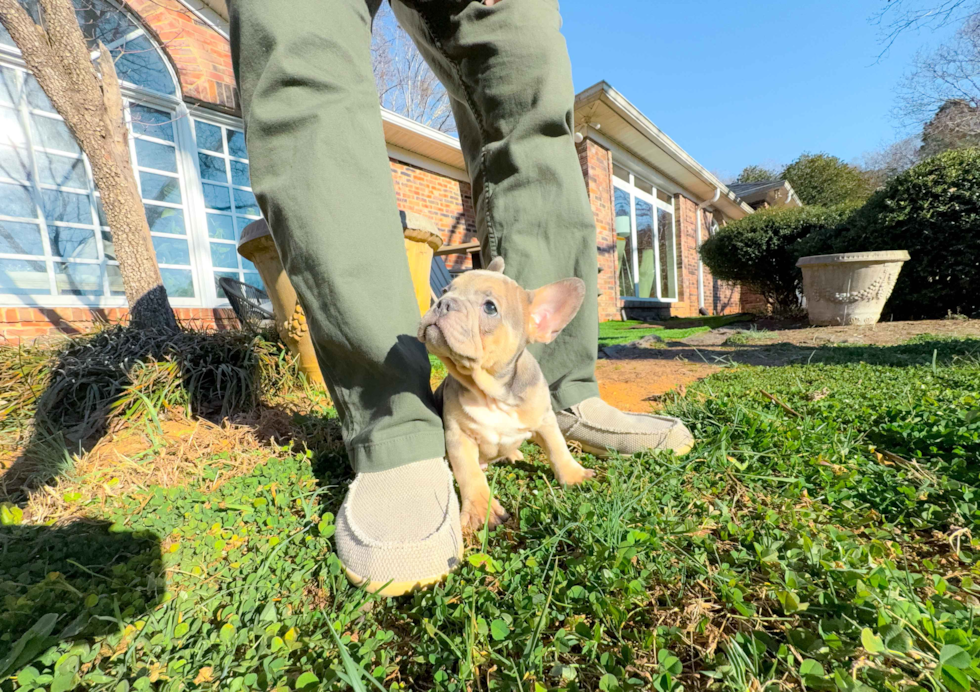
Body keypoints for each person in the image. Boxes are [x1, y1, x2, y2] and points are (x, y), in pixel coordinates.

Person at [229, 0, 694, 596]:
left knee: (528, 91)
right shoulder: (455, 375)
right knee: (300, 54)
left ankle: (567, 391)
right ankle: (395, 428)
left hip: (524, 397)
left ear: (542, 321)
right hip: (465, 414)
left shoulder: (538, 320)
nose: (447, 306)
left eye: (485, 307)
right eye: (448, 295)